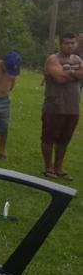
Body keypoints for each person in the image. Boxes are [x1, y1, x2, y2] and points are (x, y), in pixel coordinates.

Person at [40, 32, 83, 181]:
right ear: (60, 43)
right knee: (49, 137)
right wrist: (75, 74)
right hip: (55, 106)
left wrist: (67, 73)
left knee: (64, 139)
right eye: (67, 43)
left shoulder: (78, 59)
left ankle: (59, 167)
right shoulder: (53, 59)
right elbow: (58, 78)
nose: (70, 45)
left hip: (73, 107)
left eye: (73, 43)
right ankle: (48, 167)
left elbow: (69, 75)